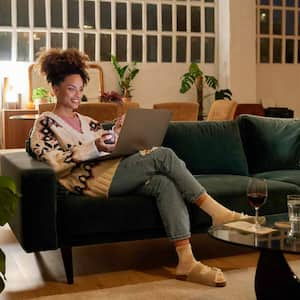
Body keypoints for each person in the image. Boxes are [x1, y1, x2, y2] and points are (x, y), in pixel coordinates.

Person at [30, 48, 247, 288]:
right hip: (91, 182)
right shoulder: (45, 123)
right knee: (163, 156)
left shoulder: (88, 121)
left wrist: (119, 134)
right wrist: (94, 147)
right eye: (71, 88)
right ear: (55, 88)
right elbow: (53, 162)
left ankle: (186, 261)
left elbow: (106, 146)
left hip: (115, 170)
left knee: (163, 184)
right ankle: (216, 212)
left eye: (80, 89)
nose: (77, 95)